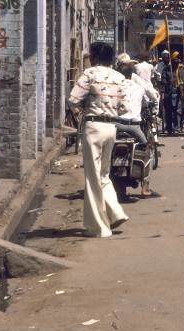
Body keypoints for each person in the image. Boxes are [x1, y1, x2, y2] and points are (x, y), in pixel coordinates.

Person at [68, 42, 130, 237]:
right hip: (111, 127)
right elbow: (125, 108)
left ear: (94, 56)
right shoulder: (119, 77)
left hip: (93, 126)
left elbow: (72, 99)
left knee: (92, 177)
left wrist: (88, 102)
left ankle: (98, 227)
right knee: (103, 174)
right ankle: (115, 212)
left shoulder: (89, 73)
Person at [116, 56, 159, 198]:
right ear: (132, 74)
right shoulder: (139, 88)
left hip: (115, 126)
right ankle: (145, 189)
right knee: (147, 153)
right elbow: (147, 102)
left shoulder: (114, 87)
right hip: (134, 128)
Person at [160, 51, 180, 135]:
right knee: (169, 112)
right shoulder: (166, 70)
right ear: (171, 60)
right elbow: (162, 81)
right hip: (169, 94)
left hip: (178, 93)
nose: (175, 61)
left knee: (177, 112)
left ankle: (176, 128)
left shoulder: (180, 69)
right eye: (174, 59)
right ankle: (169, 129)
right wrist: (168, 82)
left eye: (177, 59)